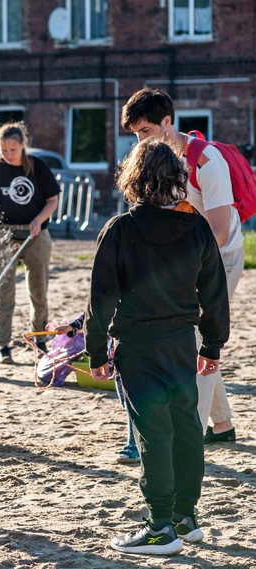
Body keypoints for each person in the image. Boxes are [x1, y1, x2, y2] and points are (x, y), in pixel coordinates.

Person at [84, 139, 229, 555]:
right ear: (177, 180)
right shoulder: (197, 225)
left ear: (134, 179)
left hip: (138, 346)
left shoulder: (119, 229)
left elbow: (100, 299)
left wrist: (96, 352)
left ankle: (160, 527)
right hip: (183, 343)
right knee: (186, 429)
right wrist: (212, 346)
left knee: (154, 434)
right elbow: (215, 293)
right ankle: (187, 517)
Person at [121, 88, 244, 444]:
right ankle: (222, 426)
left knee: (196, 337)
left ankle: (190, 431)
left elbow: (218, 233)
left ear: (167, 122)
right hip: (185, 255)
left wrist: (182, 270)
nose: (139, 141)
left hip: (222, 255)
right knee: (189, 334)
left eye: (145, 131)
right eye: (135, 134)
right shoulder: (151, 161)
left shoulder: (205, 161)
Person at [0, 122, 60, 365]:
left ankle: (40, 339)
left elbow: (52, 201)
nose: (8, 155)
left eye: (12, 150)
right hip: (4, 233)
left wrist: (38, 220)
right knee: (2, 292)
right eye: (4, 150)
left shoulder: (39, 167)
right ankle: (3, 344)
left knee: (38, 291)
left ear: (23, 145)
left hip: (36, 235)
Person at [54, 314, 140, 465]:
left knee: (136, 404)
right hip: (120, 357)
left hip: (144, 350)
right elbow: (97, 310)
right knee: (127, 404)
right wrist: (73, 326)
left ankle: (134, 446)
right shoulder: (114, 291)